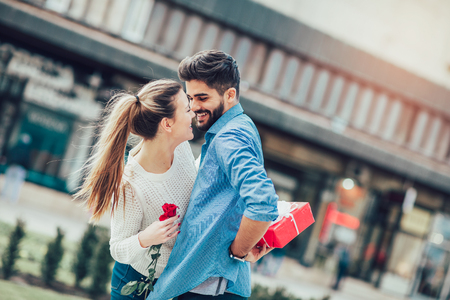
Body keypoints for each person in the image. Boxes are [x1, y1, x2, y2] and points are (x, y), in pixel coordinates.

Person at [149, 50, 279, 300]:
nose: (194, 106)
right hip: (210, 286)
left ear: (230, 94)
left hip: (203, 288)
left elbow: (262, 201)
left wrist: (238, 252)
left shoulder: (229, 137)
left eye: (202, 97)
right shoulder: (241, 126)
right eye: (190, 98)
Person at [74, 79, 196, 299]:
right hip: (134, 285)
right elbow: (117, 248)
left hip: (173, 283)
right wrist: (146, 238)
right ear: (167, 124)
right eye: (187, 109)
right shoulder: (131, 184)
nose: (194, 114)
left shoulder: (183, 149)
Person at [1, 133, 31, 203]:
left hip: (14, 167)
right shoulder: (24, 150)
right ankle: (11, 198)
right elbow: (26, 161)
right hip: (17, 168)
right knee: (14, 184)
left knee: (10, 183)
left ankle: (6, 196)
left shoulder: (16, 147)